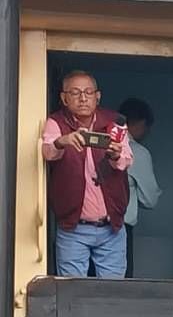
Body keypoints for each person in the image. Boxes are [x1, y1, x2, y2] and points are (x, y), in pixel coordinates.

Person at [42, 70, 134, 278]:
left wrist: (115, 154)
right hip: (73, 227)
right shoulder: (56, 122)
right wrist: (62, 141)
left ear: (97, 96)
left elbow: (126, 160)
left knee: (112, 294)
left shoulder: (115, 122)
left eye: (88, 92)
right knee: (71, 294)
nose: (82, 98)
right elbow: (48, 152)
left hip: (112, 227)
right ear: (64, 98)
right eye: (74, 93)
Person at [118, 97, 162, 278]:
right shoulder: (138, 153)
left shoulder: (101, 145)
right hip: (120, 228)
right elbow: (150, 199)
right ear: (141, 123)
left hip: (84, 226)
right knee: (119, 288)